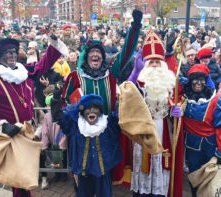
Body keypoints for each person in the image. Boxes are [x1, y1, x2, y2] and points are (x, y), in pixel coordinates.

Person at [0, 36, 68, 197]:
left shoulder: (22, 71)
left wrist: (54, 46)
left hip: (26, 132)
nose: (13, 55)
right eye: (8, 52)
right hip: (9, 135)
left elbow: (40, 67)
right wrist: (1, 125)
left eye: (15, 52)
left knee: (24, 177)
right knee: (19, 179)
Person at [61, 9, 143, 185]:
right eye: (92, 52)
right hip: (82, 133)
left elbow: (126, 53)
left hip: (105, 132)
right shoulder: (75, 77)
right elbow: (65, 103)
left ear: (103, 56)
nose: (95, 55)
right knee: (84, 178)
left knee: (105, 175)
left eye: (99, 52)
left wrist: (135, 26)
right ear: (86, 57)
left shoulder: (111, 73)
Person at [127, 30, 183, 197]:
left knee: (161, 160)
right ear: (144, 64)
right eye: (150, 62)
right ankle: (142, 192)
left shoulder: (170, 83)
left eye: (157, 62)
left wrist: (177, 112)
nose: (154, 65)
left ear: (163, 64)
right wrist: (133, 76)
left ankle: (159, 192)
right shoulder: (137, 82)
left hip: (162, 128)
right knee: (143, 161)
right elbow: (127, 97)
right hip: (143, 130)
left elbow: (178, 102)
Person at [52, 94, 122, 197]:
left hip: (102, 172)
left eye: (95, 108)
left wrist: (121, 101)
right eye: (88, 108)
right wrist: (56, 100)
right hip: (83, 172)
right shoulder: (76, 125)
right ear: (82, 111)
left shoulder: (107, 124)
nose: (91, 111)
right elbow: (60, 117)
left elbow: (121, 117)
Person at [183, 64, 221, 197]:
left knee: (210, 180)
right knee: (194, 177)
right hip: (191, 146)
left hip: (211, 147)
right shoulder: (183, 99)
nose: (198, 83)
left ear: (206, 81)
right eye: (195, 79)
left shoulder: (216, 102)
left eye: (201, 79)